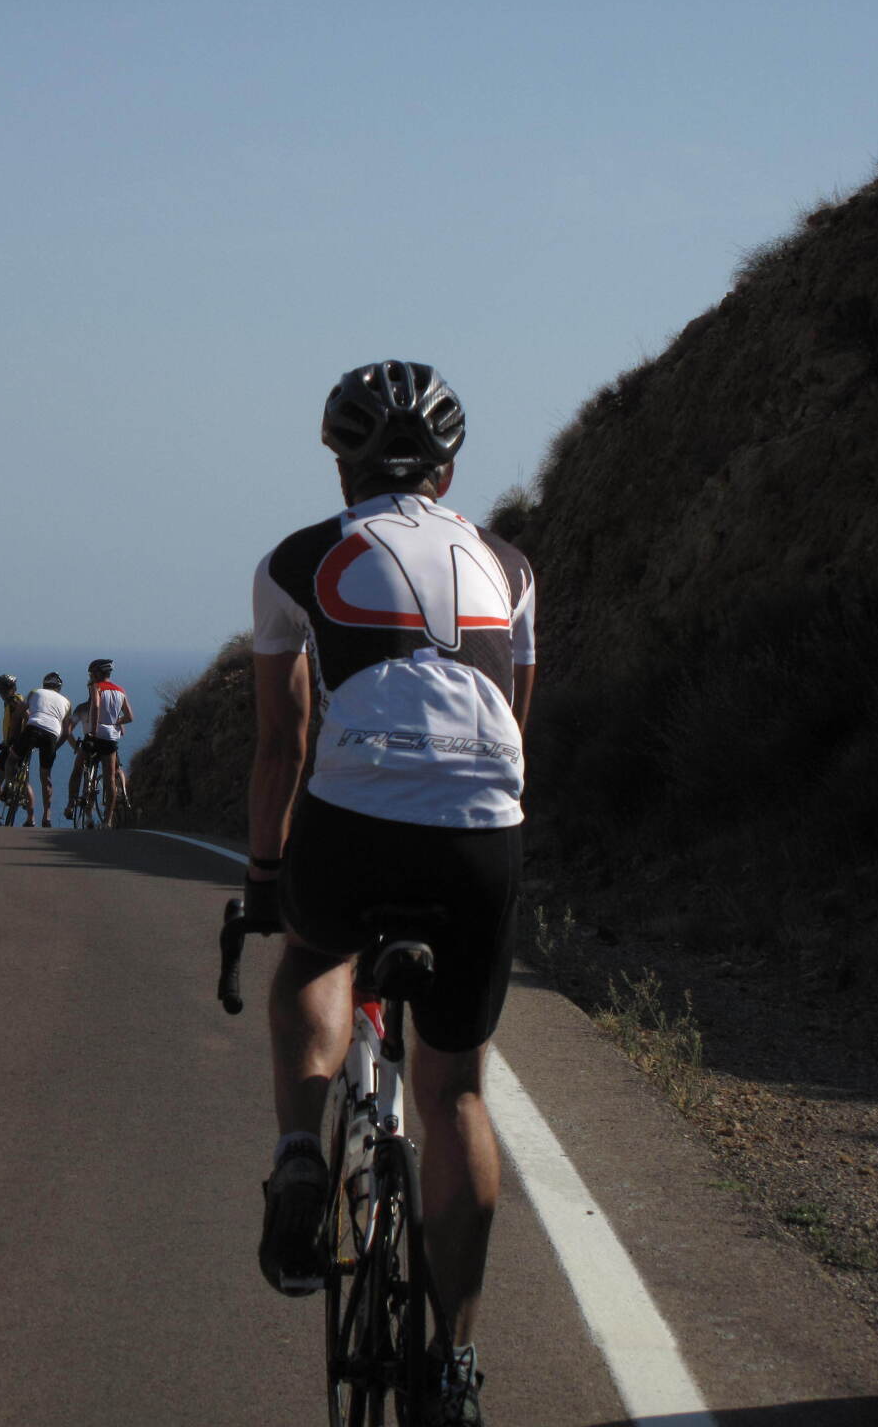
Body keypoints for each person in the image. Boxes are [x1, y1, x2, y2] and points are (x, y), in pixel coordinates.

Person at [244, 362, 534, 1424]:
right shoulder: (510, 565)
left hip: (355, 819)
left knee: (311, 961)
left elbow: (283, 744)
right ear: (451, 469)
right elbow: (515, 729)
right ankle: (454, 1361)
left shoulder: (297, 560)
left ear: (340, 463)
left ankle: (295, 1162)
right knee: (455, 1092)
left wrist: (267, 877)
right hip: (480, 834)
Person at [17, 671, 72, 826]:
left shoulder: (35, 692)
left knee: (13, 759)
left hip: (32, 729)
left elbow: (19, 714)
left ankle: (9, 786)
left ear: (44, 685)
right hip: (51, 735)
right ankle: (47, 816)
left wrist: (17, 737)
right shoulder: (67, 702)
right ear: (59, 688)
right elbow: (67, 732)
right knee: (45, 777)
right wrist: (55, 748)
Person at [0, 673, 33, 825]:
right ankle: (31, 818)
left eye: (3, 690)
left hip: (14, 747)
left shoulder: (14, 702)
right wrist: (1, 744)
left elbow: (27, 718)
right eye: (0, 691)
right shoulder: (17, 700)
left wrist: (14, 741)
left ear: (12, 689)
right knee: (24, 783)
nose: (1, 694)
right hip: (21, 746)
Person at [82, 658, 133, 815]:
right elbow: (129, 717)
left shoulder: (96, 687)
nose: (90, 676)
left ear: (97, 673)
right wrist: (116, 721)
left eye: (91, 673)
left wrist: (94, 730)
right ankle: (108, 819)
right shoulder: (120, 690)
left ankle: (81, 803)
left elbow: (96, 705)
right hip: (111, 737)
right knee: (110, 778)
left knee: (81, 766)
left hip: (98, 734)